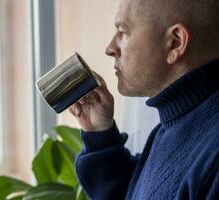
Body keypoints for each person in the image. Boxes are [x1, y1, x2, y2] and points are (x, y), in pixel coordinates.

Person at [69, 0, 219, 199]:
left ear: (175, 42)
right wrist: (100, 134)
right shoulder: (174, 125)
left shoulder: (212, 157)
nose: (110, 48)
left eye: (123, 31)